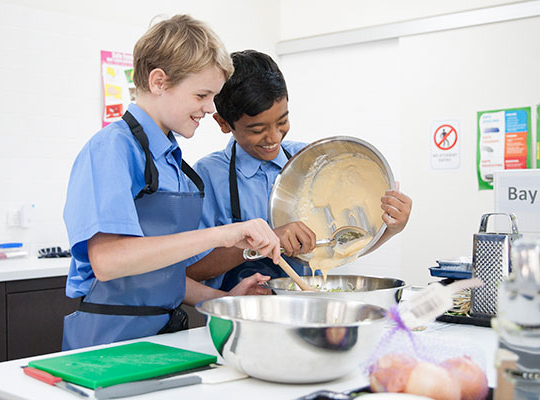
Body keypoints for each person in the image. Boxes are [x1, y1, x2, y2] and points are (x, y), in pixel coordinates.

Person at [61, 18, 281, 351]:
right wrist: (222, 234)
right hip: (107, 343)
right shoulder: (113, 148)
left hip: (160, 337)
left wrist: (223, 300)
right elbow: (108, 262)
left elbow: (158, 275)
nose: (209, 108)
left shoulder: (169, 159)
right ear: (159, 81)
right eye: (202, 95)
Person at [186, 50, 412, 291]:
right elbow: (192, 270)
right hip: (240, 312)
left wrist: (390, 229)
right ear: (223, 123)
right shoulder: (206, 176)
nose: (273, 137)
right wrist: (264, 241)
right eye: (257, 129)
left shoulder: (309, 161)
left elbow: (339, 247)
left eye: (282, 121)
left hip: (301, 304)